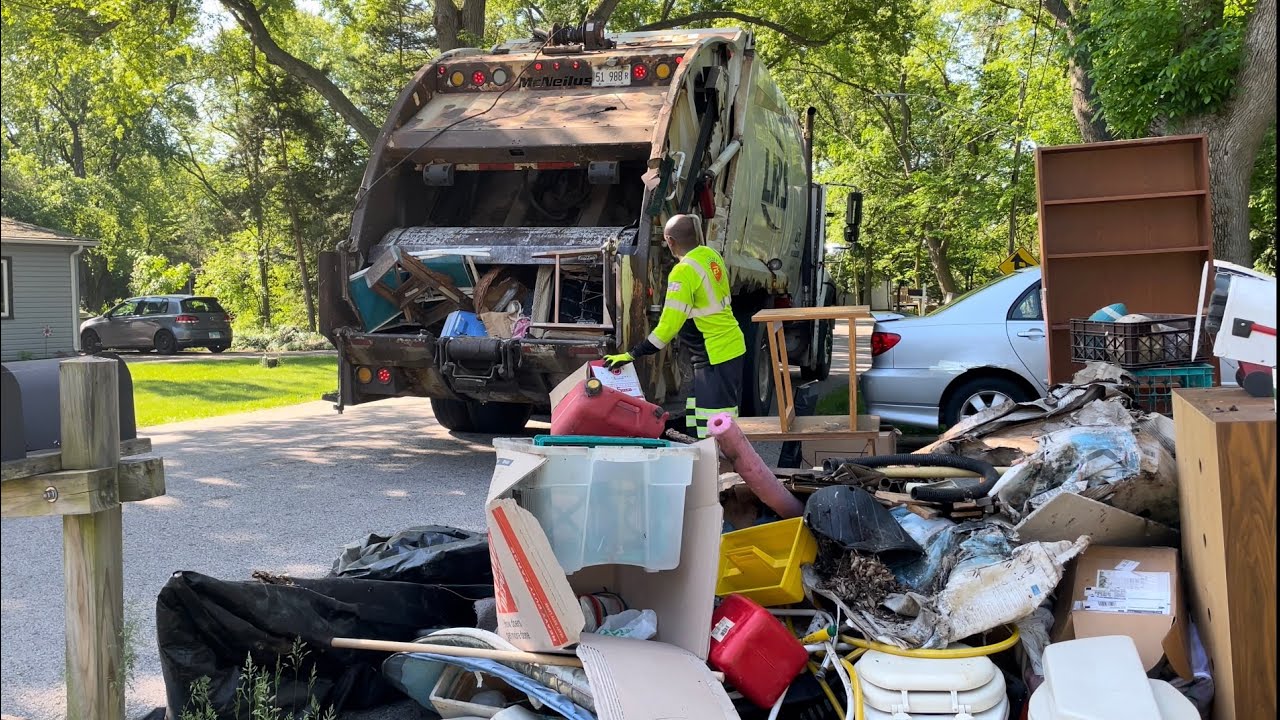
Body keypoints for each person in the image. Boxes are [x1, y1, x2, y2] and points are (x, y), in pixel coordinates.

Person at [604, 214, 746, 438]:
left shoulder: (683, 272)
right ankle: (701, 454)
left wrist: (631, 354)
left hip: (715, 356)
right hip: (724, 350)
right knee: (696, 418)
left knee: (716, 430)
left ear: (670, 241)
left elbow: (666, 330)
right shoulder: (710, 255)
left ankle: (719, 460)